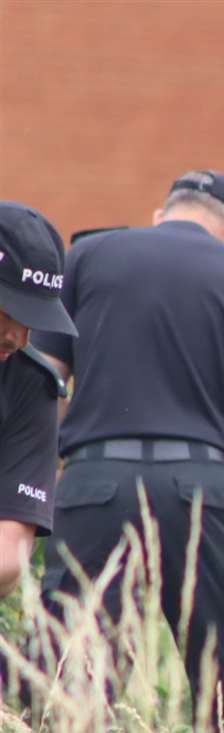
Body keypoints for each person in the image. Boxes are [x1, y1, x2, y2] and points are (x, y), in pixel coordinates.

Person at [29, 170, 224, 733]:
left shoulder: (87, 257)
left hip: (92, 484)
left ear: (160, 215)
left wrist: (26, 482)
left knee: (77, 669)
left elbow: (38, 383)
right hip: (201, 492)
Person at [0, 203, 75, 601]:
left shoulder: (31, 383)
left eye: (31, 319)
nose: (19, 337)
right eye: (9, 311)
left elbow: (8, 556)